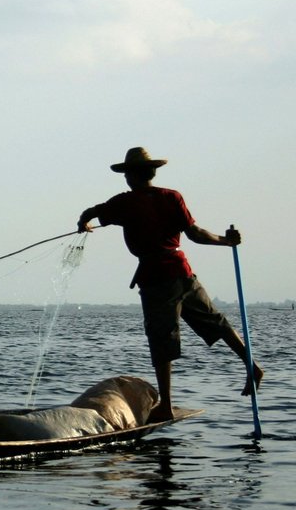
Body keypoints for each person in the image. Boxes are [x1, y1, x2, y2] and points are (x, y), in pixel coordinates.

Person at [77, 147, 264, 422]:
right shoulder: (171, 197)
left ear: (129, 176)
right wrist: (226, 242)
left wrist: (84, 224)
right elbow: (195, 234)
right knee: (217, 322)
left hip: (157, 279)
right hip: (183, 273)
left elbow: (90, 211)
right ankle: (253, 366)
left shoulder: (125, 202)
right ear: (152, 173)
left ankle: (165, 405)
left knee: (161, 339)